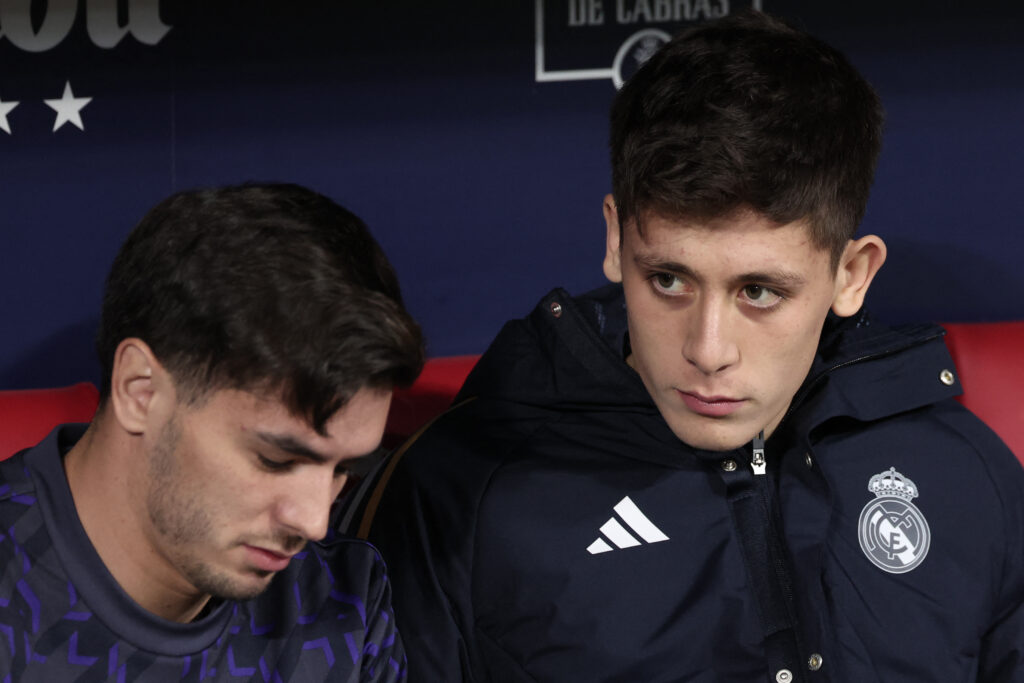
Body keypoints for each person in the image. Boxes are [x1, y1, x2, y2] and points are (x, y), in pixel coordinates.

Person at [338, 10, 1024, 683]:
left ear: (851, 275)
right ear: (615, 240)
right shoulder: (461, 488)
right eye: (668, 279)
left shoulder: (967, 476)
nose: (708, 348)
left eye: (759, 291)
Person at [0, 183, 424, 681]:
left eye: (343, 470)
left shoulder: (347, 606)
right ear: (141, 391)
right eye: (275, 459)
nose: (313, 522)